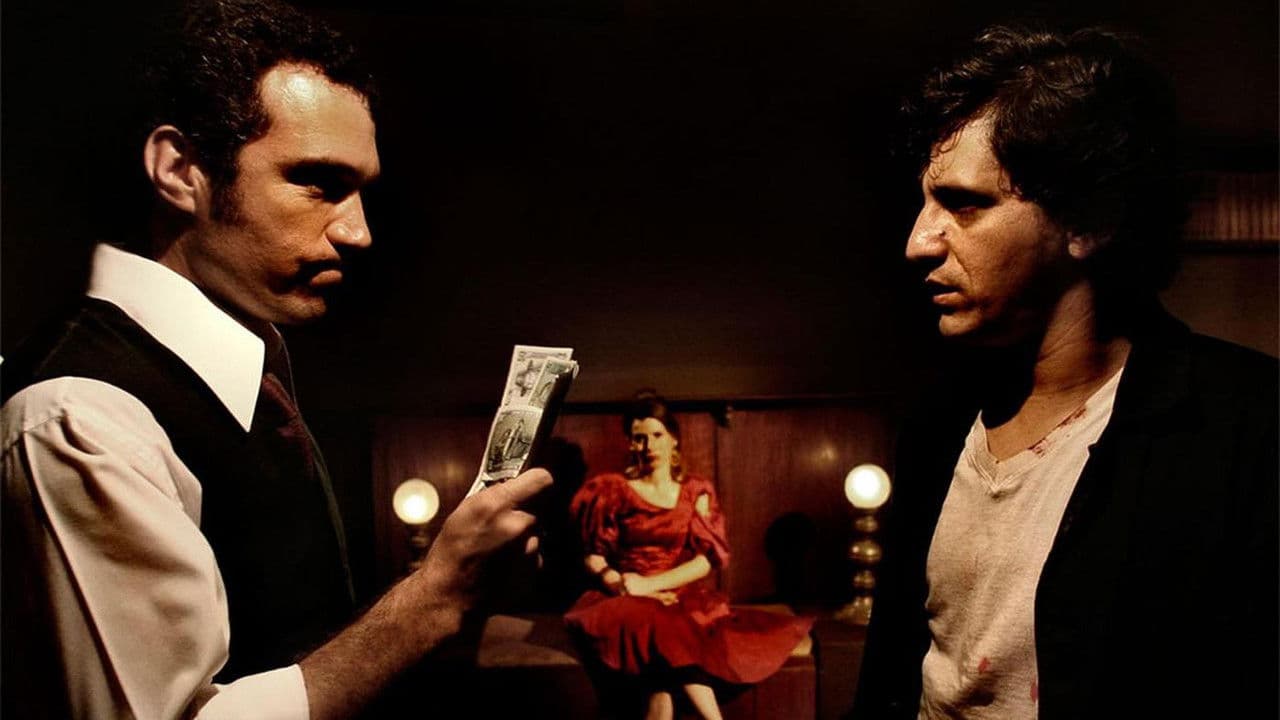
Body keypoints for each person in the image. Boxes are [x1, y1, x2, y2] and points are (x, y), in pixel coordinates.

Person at [0, 1, 551, 718]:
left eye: (361, 191)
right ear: (180, 170)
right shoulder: (80, 416)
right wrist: (433, 602)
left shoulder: (254, 361)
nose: (359, 232)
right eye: (318, 182)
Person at [853, 24, 1278, 720]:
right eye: (925, 204)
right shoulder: (936, 425)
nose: (917, 243)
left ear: (1089, 220)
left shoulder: (1246, 429)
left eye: (964, 203)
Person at [564, 391, 814, 720]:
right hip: (622, 596)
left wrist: (651, 586)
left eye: (657, 435)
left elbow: (706, 560)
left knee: (666, 660)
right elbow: (593, 556)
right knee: (656, 623)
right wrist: (618, 582)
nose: (649, 446)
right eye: (640, 438)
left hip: (674, 593)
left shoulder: (695, 490)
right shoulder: (611, 490)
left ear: (674, 439)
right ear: (630, 443)